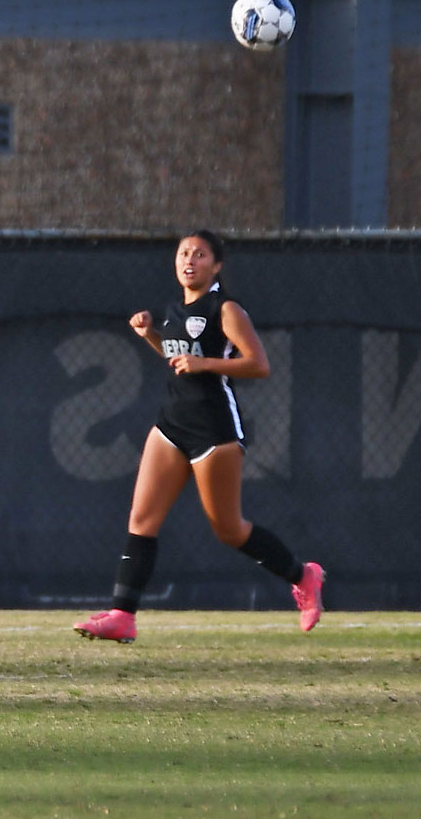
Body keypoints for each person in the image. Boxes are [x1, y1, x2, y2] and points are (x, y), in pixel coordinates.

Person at [74, 231, 325, 644]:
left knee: (228, 528)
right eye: (183, 253)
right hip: (172, 422)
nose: (189, 260)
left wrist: (204, 363)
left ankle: (304, 576)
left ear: (217, 265)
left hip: (215, 428)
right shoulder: (175, 308)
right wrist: (151, 336)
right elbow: (179, 359)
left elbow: (258, 365)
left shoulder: (225, 308)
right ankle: (122, 615)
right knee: (141, 520)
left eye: (200, 254)